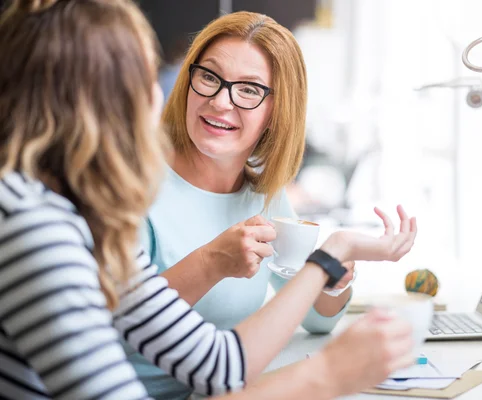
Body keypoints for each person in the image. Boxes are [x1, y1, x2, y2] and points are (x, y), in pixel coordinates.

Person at [0, 1, 418, 399]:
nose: (160, 93)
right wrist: (326, 374)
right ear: (105, 104)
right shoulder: (39, 226)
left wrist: (334, 259)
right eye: (147, 78)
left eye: (249, 90)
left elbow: (218, 366)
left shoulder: (66, 213)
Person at [128, 11, 418, 399]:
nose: (219, 101)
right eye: (210, 77)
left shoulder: (266, 197)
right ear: (188, 80)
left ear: (276, 112)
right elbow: (118, 319)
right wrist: (211, 262)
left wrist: (334, 280)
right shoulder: (130, 186)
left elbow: (317, 319)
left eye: (248, 90)